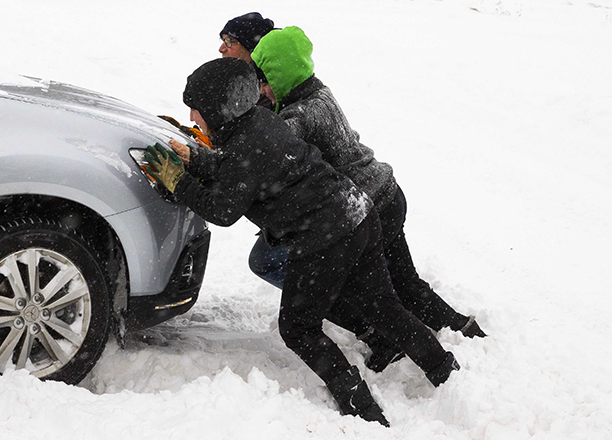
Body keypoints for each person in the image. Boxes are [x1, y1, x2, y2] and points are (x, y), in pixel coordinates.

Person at [144, 58, 460, 426]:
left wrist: (177, 181)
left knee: (298, 327)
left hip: (326, 237)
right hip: (357, 213)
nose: (195, 119)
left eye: (196, 112)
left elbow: (223, 208)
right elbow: (235, 168)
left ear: (218, 110)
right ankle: (446, 371)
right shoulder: (258, 123)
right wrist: (196, 158)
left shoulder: (246, 144)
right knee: (383, 307)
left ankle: (360, 407)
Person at [248, 26, 486, 348]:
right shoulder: (316, 91)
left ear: (281, 76)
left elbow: (269, 151)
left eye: (265, 81)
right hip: (385, 193)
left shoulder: (301, 116)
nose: (263, 90)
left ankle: (417, 344)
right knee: (405, 286)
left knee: (378, 295)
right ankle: (463, 332)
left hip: (368, 209)